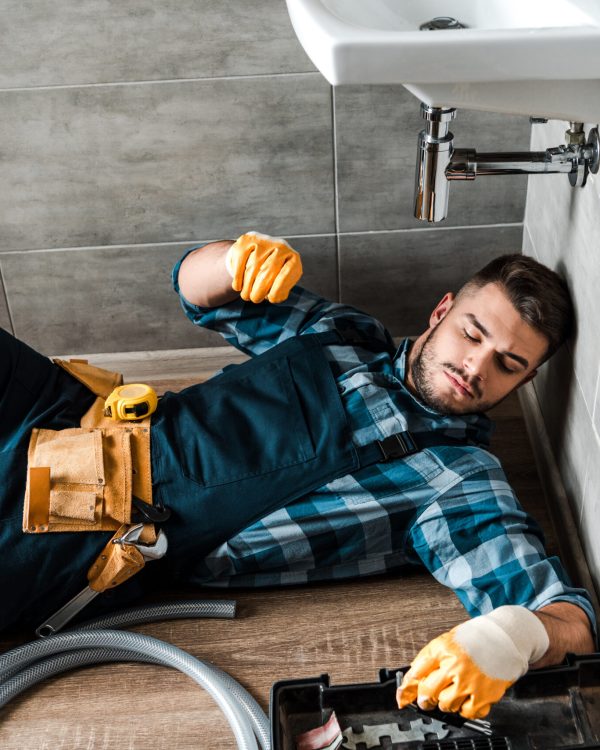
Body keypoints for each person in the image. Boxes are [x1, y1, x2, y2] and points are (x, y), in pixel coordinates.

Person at [0, 232, 594, 720]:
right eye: (473, 332)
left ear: (523, 383)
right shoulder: (346, 335)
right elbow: (195, 290)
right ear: (442, 311)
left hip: (86, 522)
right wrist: (233, 260)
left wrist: (516, 636)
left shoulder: (458, 480)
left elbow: (570, 619)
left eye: (508, 364)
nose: (475, 366)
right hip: (65, 408)